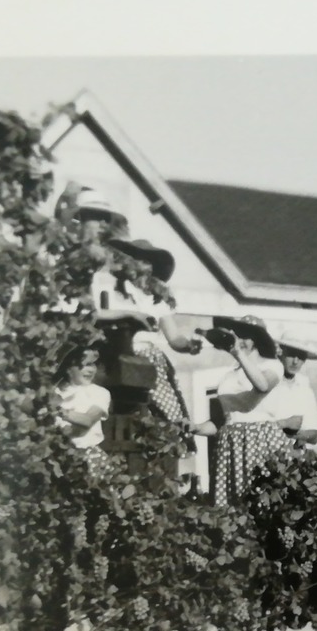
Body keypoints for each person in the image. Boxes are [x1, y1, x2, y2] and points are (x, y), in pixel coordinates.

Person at [67, 188, 215, 445]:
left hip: (145, 354)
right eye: (136, 260)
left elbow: (174, 337)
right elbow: (94, 314)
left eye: (147, 262)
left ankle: (176, 428)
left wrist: (189, 345)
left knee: (155, 370)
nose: (141, 266)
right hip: (112, 349)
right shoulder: (110, 286)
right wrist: (130, 315)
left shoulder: (155, 298)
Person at [209, 315, 290, 505]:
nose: (240, 340)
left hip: (259, 439)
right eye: (236, 335)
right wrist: (192, 427)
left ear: (258, 339)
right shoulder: (229, 375)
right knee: (230, 506)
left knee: (262, 500)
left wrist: (239, 354)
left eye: (246, 336)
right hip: (230, 442)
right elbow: (221, 420)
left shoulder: (272, 366)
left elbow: (262, 385)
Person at [52, 345, 112, 472]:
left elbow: (88, 421)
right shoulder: (54, 393)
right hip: (59, 456)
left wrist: (57, 410)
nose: (91, 370)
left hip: (89, 457)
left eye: (93, 365)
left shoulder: (99, 393)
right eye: (86, 365)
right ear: (68, 368)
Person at [266, 341, 317, 450]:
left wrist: (303, 436)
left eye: (301, 356)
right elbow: (252, 427)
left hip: (295, 457)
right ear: (280, 353)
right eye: (291, 354)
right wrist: (285, 424)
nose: (295, 361)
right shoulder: (266, 384)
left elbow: (315, 434)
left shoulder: (305, 390)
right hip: (268, 452)